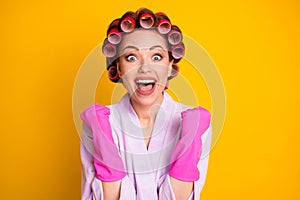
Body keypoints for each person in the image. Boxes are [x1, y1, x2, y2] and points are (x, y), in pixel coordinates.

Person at [80, 7, 212, 200]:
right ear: (118, 67)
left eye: (156, 57)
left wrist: (187, 152)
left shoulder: (196, 124)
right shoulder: (97, 124)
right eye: (131, 57)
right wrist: (107, 156)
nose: (144, 68)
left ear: (169, 65)